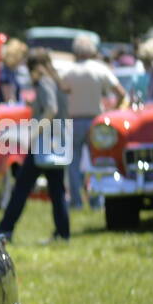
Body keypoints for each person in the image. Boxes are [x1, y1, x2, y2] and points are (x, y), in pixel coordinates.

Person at [0, 48, 70, 244]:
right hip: (58, 141)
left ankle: (5, 230)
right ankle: (63, 234)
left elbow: (51, 109)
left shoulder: (44, 81)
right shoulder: (56, 80)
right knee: (57, 190)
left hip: (43, 142)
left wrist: (34, 133)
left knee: (21, 187)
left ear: (36, 67)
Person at [59, 34, 128, 210]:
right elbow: (121, 93)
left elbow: (61, 93)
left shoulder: (68, 71)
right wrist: (112, 112)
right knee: (97, 161)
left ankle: (76, 201)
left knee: (73, 164)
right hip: (96, 121)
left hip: (74, 121)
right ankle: (97, 200)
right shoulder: (100, 69)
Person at [0, 38, 28, 104]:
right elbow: (9, 100)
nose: (25, 60)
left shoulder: (9, 71)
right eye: (23, 56)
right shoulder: (6, 73)